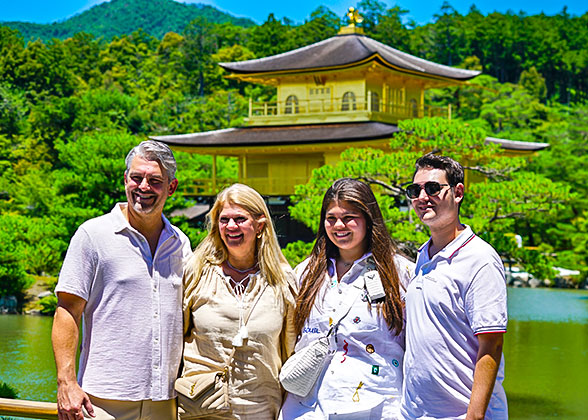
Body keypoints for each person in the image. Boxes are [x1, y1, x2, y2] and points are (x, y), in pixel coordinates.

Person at [52, 140, 191, 420]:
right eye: (137, 178)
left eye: (155, 181)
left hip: (165, 400)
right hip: (102, 400)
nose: (143, 187)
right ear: (125, 179)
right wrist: (66, 382)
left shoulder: (181, 243)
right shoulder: (93, 235)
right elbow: (67, 310)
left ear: (171, 187)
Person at [280, 178, 414, 420]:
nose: (339, 225)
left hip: (375, 405)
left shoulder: (400, 274)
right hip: (307, 407)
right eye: (331, 218)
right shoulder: (306, 273)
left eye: (349, 217)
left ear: (369, 219)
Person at [400, 153, 508, 420]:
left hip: (459, 414)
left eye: (433, 188)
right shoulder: (423, 255)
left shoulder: (480, 259)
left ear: (458, 192)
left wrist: (474, 416)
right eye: (415, 190)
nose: (423, 197)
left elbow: (492, 344)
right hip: (415, 412)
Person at [181, 183, 297, 420]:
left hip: (262, 408)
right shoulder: (197, 272)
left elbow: (291, 351)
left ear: (260, 226)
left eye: (240, 219)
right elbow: (175, 339)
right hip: (203, 408)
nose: (231, 226)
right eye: (224, 220)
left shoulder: (282, 280)